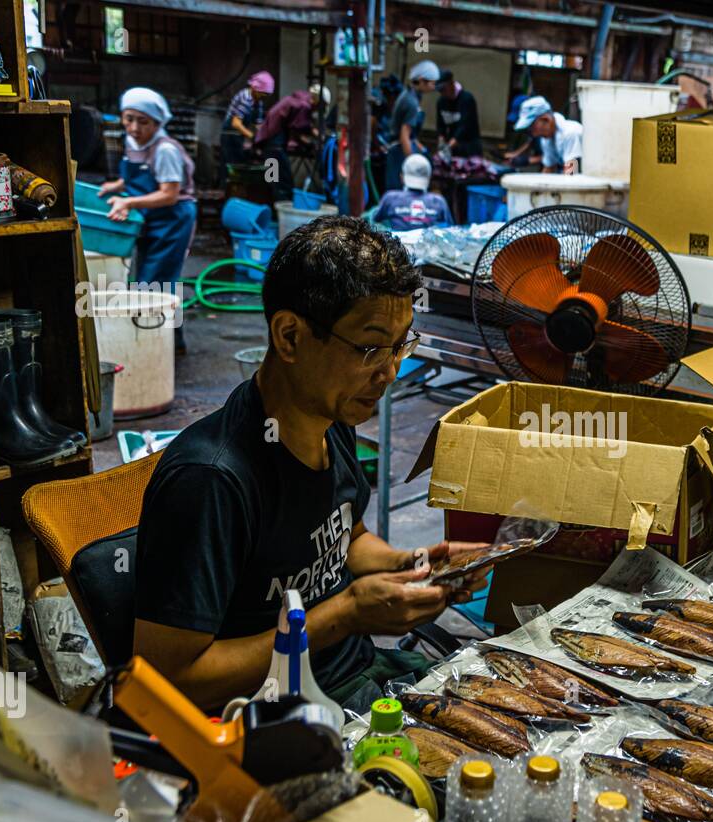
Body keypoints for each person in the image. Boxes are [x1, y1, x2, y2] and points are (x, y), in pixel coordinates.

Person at [133, 215, 489, 715]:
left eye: (401, 344)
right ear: (290, 337)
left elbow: (348, 538)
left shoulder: (331, 415)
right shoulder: (210, 481)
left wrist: (411, 567)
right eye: (369, 348)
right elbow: (168, 685)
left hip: (358, 681)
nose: (389, 371)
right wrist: (343, 616)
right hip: (272, 723)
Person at [99, 87, 196, 352]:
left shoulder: (165, 150)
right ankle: (171, 342)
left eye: (143, 122)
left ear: (157, 123)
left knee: (156, 281)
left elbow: (169, 193)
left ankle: (161, 345)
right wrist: (117, 186)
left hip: (173, 220)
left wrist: (128, 201)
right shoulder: (133, 144)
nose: (134, 127)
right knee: (151, 281)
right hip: (151, 219)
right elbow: (138, 177)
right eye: (129, 118)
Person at [255, 83, 331, 200]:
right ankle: (279, 210)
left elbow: (301, 126)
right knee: (282, 182)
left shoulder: (298, 100)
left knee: (271, 180)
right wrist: (311, 142)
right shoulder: (303, 106)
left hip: (269, 142)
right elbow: (297, 130)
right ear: (318, 102)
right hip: (274, 145)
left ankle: (271, 207)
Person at [386, 60, 439, 192]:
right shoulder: (411, 102)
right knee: (399, 193)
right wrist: (411, 162)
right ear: (421, 81)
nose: (434, 86)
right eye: (432, 83)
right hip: (399, 151)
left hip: (402, 147)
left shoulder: (411, 96)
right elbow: (405, 135)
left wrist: (423, 150)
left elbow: (412, 136)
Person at [371, 153, 453, 231]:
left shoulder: (390, 198)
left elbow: (373, 221)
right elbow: (451, 229)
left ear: (402, 177)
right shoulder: (438, 201)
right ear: (429, 178)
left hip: (398, 243)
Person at [220, 70, 274, 184]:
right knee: (231, 167)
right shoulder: (246, 98)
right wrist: (252, 136)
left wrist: (264, 137)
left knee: (240, 164)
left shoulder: (258, 102)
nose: (264, 97)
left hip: (239, 135)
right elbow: (236, 123)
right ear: (255, 88)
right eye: (263, 94)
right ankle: (228, 193)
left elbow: (258, 124)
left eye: (266, 95)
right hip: (230, 135)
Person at [513, 95, 582, 174]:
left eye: (532, 126)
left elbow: (571, 174)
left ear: (546, 119)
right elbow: (549, 168)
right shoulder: (547, 139)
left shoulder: (570, 133)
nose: (532, 133)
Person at [434, 70, 482, 158]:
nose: (442, 93)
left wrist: (450, 145)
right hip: (452, 147)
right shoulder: (441, 102)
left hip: (470, 146)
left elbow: (465, 126)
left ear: (451, 84)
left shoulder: (467, 99)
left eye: (444, 89)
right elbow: (440, 125)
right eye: (440, 91)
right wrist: (441, 141)